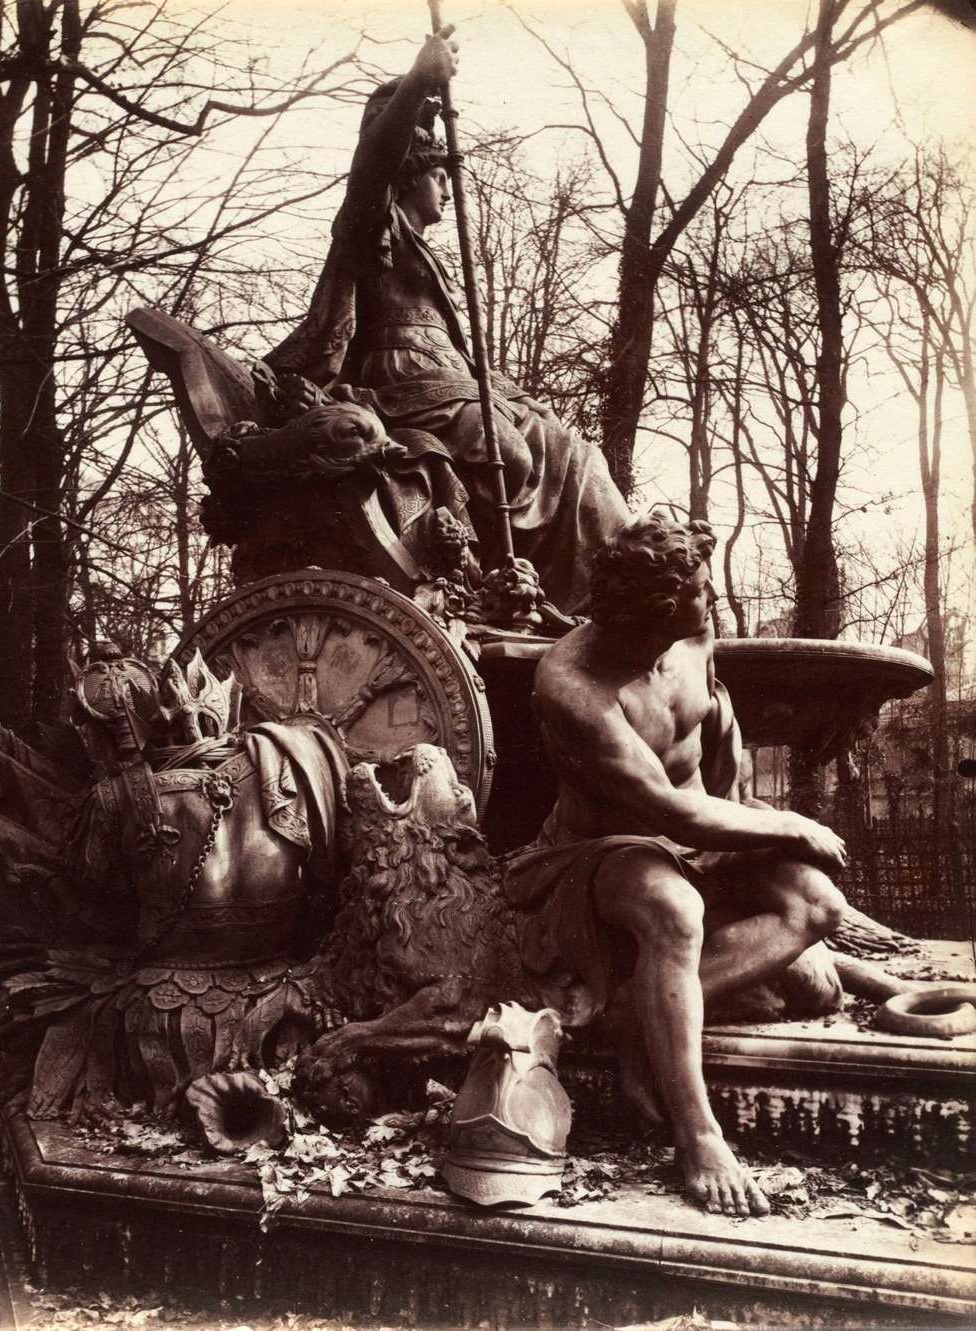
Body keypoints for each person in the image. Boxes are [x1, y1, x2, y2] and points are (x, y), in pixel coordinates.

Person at [506, 513, 849, 1216]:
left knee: (820, 905)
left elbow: (717, 740)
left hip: (705, 830)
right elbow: (666, 810)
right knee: (675, 910)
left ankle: (639, 1014)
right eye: (698, 588)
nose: (710, 596)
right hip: (605, 852)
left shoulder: (693, 631)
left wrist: (756, 826)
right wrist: (786, 823)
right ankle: (697, 1137)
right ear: (653, 610)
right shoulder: (573, 687)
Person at [267, 27, 630, 612]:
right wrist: (416, 82)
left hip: (454, 378)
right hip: (404, 380)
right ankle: (489, 581)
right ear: (410, 177)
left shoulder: (426, 248)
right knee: (506, 456)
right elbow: (371, 164)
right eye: (440, 177)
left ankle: (600, 595)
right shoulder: (372, 224)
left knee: (572, 452)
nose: (447, 188)